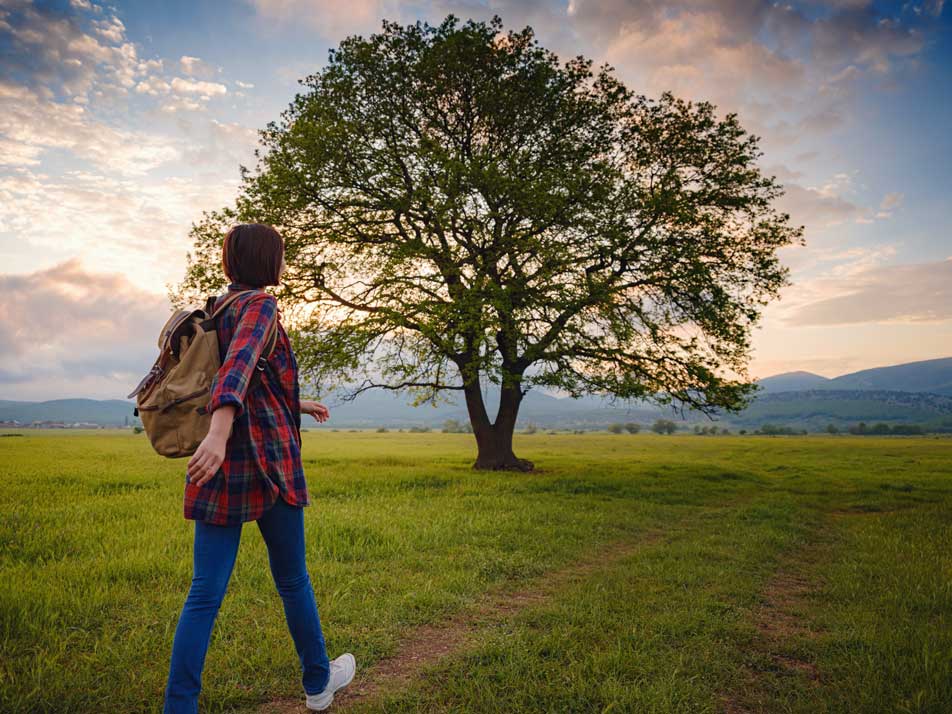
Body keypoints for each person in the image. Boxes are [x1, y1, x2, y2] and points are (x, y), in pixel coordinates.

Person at [163, 223, 355, 713]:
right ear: (268, 261)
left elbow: (253, 377)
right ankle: (318, 683)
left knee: (204, 592)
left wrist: (297, 402)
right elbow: (238, 369)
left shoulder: (217, 308)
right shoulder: (260, 306)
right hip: (265, 465)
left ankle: (178, 707)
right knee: (292, 580)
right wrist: (219, 432)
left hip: (225, 469)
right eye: (282, 255)